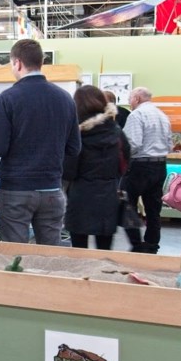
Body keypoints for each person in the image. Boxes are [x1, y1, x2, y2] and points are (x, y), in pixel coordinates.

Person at [0, 40, 81, 245]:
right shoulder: (65, 99)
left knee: (16, 254)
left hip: (16, 189)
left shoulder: (8, 98)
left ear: (18, 63)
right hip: (51, 188)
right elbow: (74, 148)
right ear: (41, 62)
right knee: (48, 256)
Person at [63, 86, 130, 250]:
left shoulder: (76, 133)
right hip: (108, 194)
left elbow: (69, 170)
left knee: (79, 250)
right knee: (104, 251)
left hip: (80, 194)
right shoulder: (115, 130)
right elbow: (125, 161)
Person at [122, 87, 172, 254]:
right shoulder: (162, 116)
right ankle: (151, 245)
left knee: (127, 205)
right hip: (160, 166)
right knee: (153, 209)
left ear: (136, 98)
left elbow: (133, 144)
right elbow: (170, 144)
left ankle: (136, 244)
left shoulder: (136, 115)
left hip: (139, 166)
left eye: (130, 98)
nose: (129, 102)